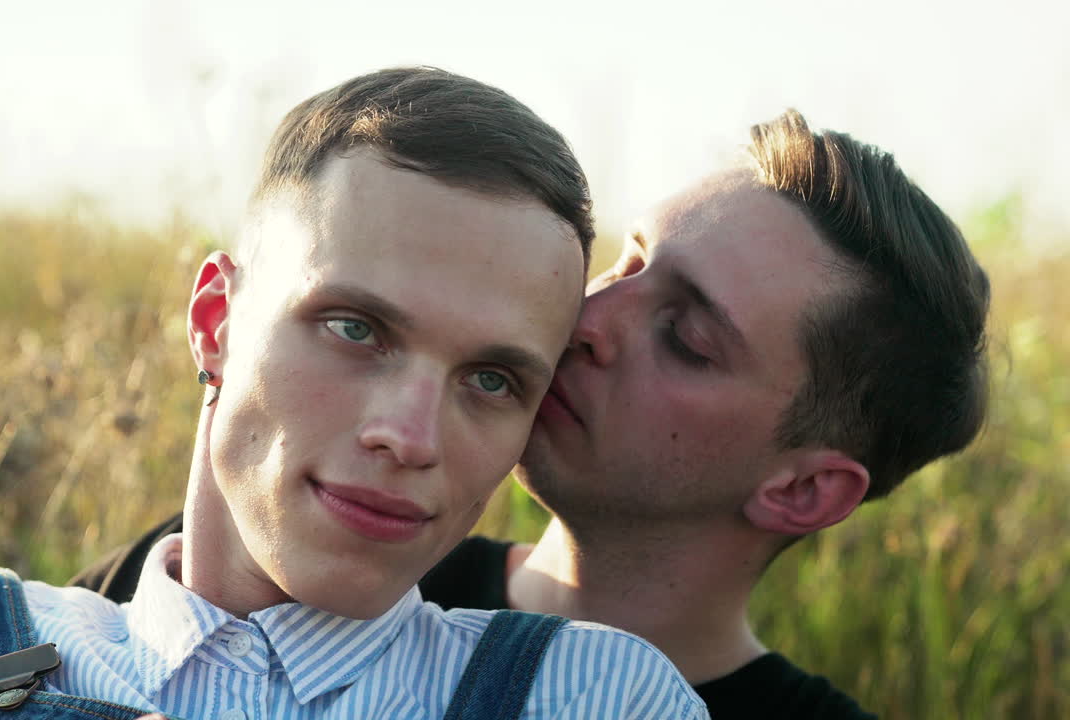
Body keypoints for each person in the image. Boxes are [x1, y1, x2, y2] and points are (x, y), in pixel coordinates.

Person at [0, 68, 708, 720]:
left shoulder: (590, 697)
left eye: (492, 380)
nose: (411, 435)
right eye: (356, 329)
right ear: (215, 322)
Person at [74, 109, 991, 719]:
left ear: (803, 490)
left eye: (684, 337)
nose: (585, 322)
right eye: (627, 265)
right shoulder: (293, 556)